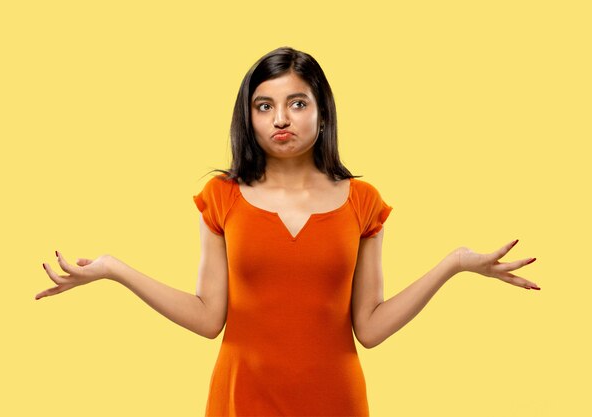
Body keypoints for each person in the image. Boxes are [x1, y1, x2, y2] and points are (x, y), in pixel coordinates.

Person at [36, 46, 540, 416]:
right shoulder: (222, 196)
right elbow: (210, 317)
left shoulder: (363, 202)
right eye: (265, 106)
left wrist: (452, 263)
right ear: (249, 117)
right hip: (240, 400)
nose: (281, 118)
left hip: (336, 402)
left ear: (322, 113)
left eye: (298, 103)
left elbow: (369, 328)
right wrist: (113, 270)